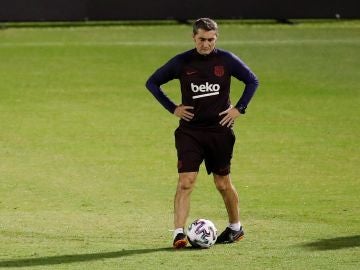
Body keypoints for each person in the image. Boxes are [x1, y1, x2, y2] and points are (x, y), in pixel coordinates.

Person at [145, 18, 259, 249]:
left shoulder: (226, 60)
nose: (206, 44)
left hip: (220, 131)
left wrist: (239, 109)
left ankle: (235, 228)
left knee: (222, 183)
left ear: (216, 38)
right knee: (186, 181)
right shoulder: (182, 62)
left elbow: (252, 80)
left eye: (210, 40)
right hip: (191, 132)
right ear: (193, 38)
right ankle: (179, 234)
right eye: (202, 39)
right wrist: (173, 108)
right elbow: (153, 82)